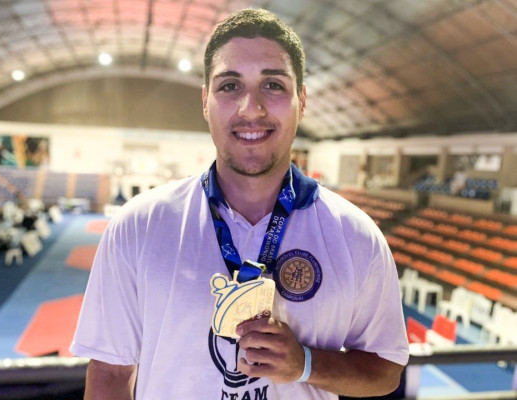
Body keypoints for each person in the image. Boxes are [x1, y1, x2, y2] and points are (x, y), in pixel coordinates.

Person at [71, 8, 409, 399]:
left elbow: (385, 370)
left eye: (274, 85)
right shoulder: (140, 225)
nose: (251, 108)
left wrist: (307, 364)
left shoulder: (355, 236)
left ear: (302, 101)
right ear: (205, 100)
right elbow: (109, 373)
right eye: (230, 86)